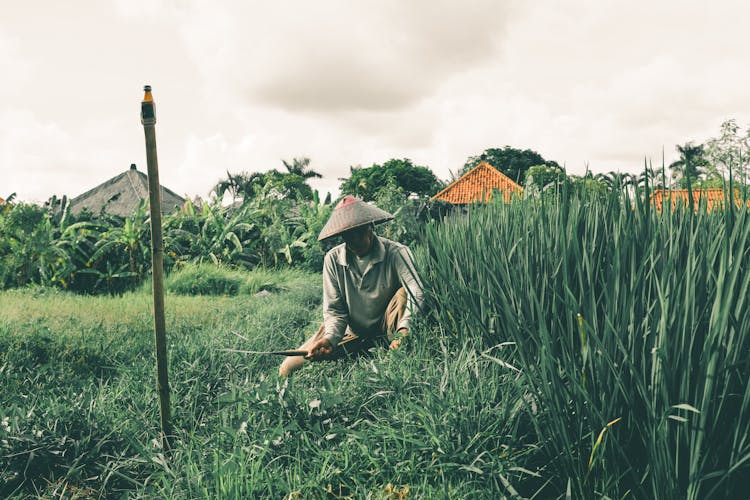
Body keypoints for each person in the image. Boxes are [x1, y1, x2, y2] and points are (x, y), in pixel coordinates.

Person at [279, 195, 423, 377]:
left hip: (389, 326)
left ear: (370, 227)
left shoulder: (397, 253)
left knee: (404, 294)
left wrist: (404, 328)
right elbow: (335, 312)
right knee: (288, 367)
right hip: (352, 331)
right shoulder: (333, 259)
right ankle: (360, 348)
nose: (355, 239)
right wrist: (329, 339)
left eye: (359, 232)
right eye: (348, 235)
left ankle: (397, 354)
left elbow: (416, 289)